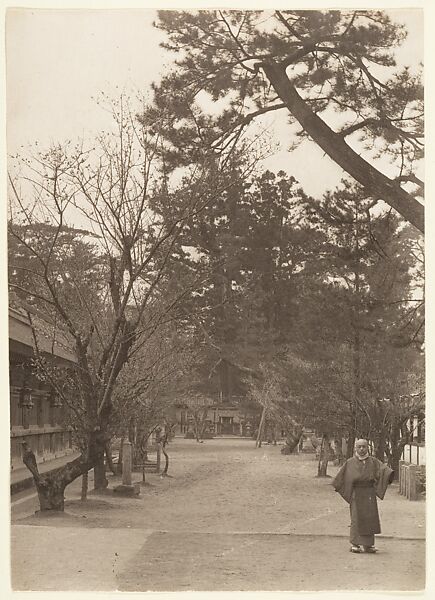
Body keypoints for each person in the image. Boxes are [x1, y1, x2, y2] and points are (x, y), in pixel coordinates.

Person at [332, 438, 394, 554]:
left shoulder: (373, 461)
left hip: (369, 493)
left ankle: (368, 545)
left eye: (363, 447)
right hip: (356, 493)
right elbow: (341, 477)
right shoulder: (350, 462)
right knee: (356, 518)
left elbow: (384, 471)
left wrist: (389, 475)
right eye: (359, 447)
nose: (361, 449)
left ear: (367, 448)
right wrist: (339, 485)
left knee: (370, 518)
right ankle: (355, 544)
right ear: (355, 448)